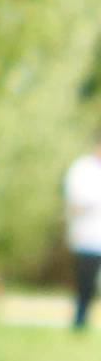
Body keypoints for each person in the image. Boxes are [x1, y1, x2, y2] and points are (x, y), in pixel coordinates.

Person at [68, 132, 101, 327]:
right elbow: (75, 203)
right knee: (85, 281)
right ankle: (80, 320)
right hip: (87, 236)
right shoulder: (82, 169)